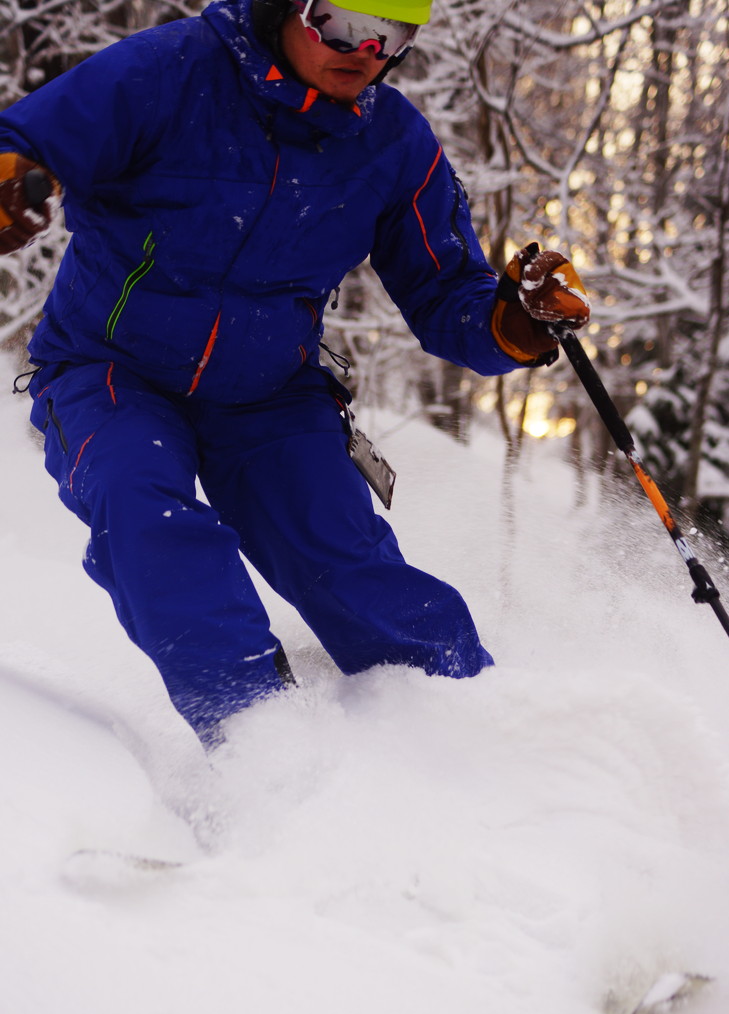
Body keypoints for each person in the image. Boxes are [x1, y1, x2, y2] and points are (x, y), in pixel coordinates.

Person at [0, 0, 589, 749]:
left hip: (267, 392)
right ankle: (263, 744)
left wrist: (513, 323)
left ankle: (475, 735)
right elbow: (22, 138)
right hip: (111, 371)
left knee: (345, 560)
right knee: (143, 509)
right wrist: (10, 178)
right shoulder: (169, 71)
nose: (366, 50)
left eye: (392, 35)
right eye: (342, 22)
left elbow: (448, 296)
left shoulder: (392, 142)